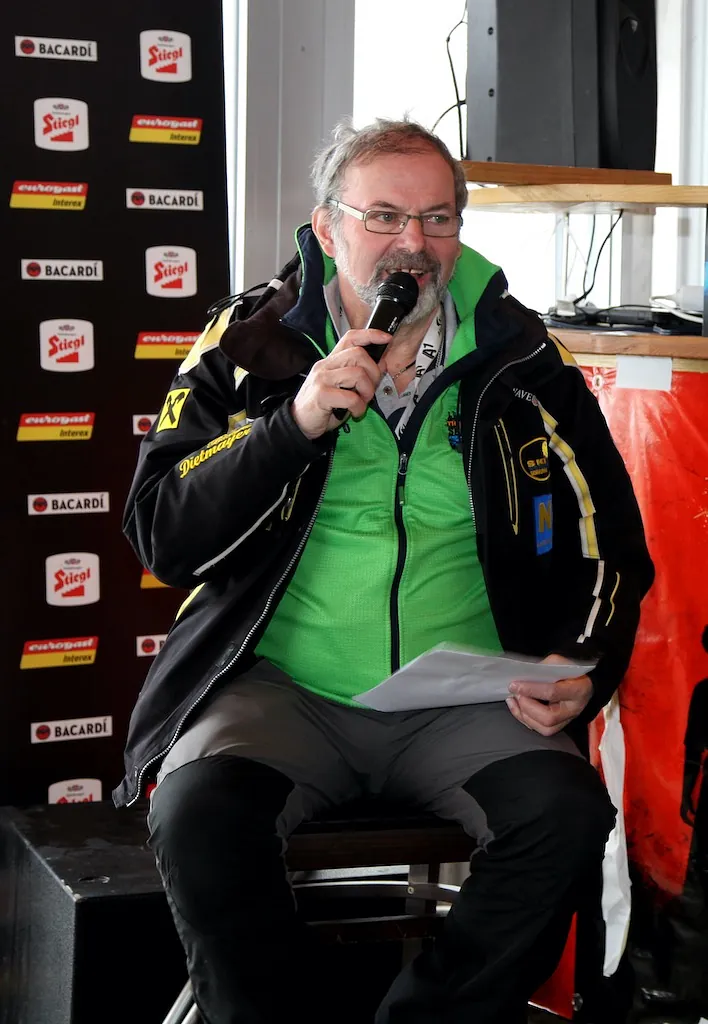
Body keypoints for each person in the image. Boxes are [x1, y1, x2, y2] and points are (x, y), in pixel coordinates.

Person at [114, 118, 654, 1024]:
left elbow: (610, 543)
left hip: (465, 694)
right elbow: (163, 530)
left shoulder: (523, 357)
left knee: (563, 816)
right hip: (283, 686)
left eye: (438, 219)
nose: (414, 243)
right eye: (385, 216)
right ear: (327, 229)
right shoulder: (248, 343)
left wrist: (583, 662)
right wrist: (291, 425)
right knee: (200, 816)